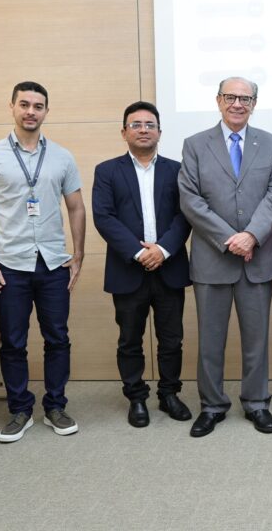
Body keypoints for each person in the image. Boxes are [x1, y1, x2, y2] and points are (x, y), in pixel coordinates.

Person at [0, 81, 87, 443]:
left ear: (46, 112)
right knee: (13, 341)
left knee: (58, 339)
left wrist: (79, 255)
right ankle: (20, 409)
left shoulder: (63, 157)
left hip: (53, 263)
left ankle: (55, 405)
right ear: (12, 107)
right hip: (10, 264)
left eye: (38, 106)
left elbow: (76, 207)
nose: (31, 111)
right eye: (24, 104)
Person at [178, 76, 272, 437]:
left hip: (257, 257)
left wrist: (252, 235)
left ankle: (257, 403)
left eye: (245, 98)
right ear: (218, 100)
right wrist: (229, 238)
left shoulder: (271, 144)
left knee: (257, 339)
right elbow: (190, 200)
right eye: (230, 97)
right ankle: (211, 405)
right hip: (213, 257)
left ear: (254, 103)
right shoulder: (194, 145)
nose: (237, 103)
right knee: (210, 340)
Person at [92, 101, 193, 428]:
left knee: (172, 339)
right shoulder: (107, 171)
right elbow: (103, 217)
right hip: (128, 270)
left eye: (150, 125)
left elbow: (185, 215)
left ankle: (169, 394)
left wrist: (162, 249)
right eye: (136, 125)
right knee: (129, 339)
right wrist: (139, 253)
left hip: (169, 267)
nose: (143, 129)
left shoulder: (177, 170)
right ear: (124, 132)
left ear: (160, 132)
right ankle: (136, 398)